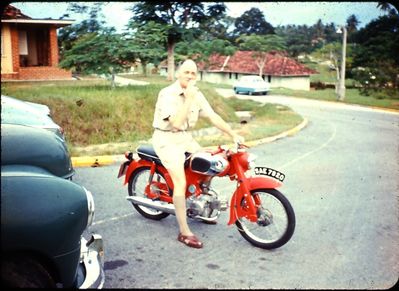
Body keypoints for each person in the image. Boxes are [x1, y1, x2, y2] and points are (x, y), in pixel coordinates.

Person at [152, 59, 244, 249]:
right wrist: (188, 97)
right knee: (180, 182)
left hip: (185, 138)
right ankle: (184, 231)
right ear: (178, 73)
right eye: (187, 72)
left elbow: (212, 116)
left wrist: (233, 134)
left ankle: (200, 206)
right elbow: (176, 123)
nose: (191, 76)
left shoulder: (196, 94)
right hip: (167, 139)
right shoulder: (167, 94)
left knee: (209, 165)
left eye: (194, 73)